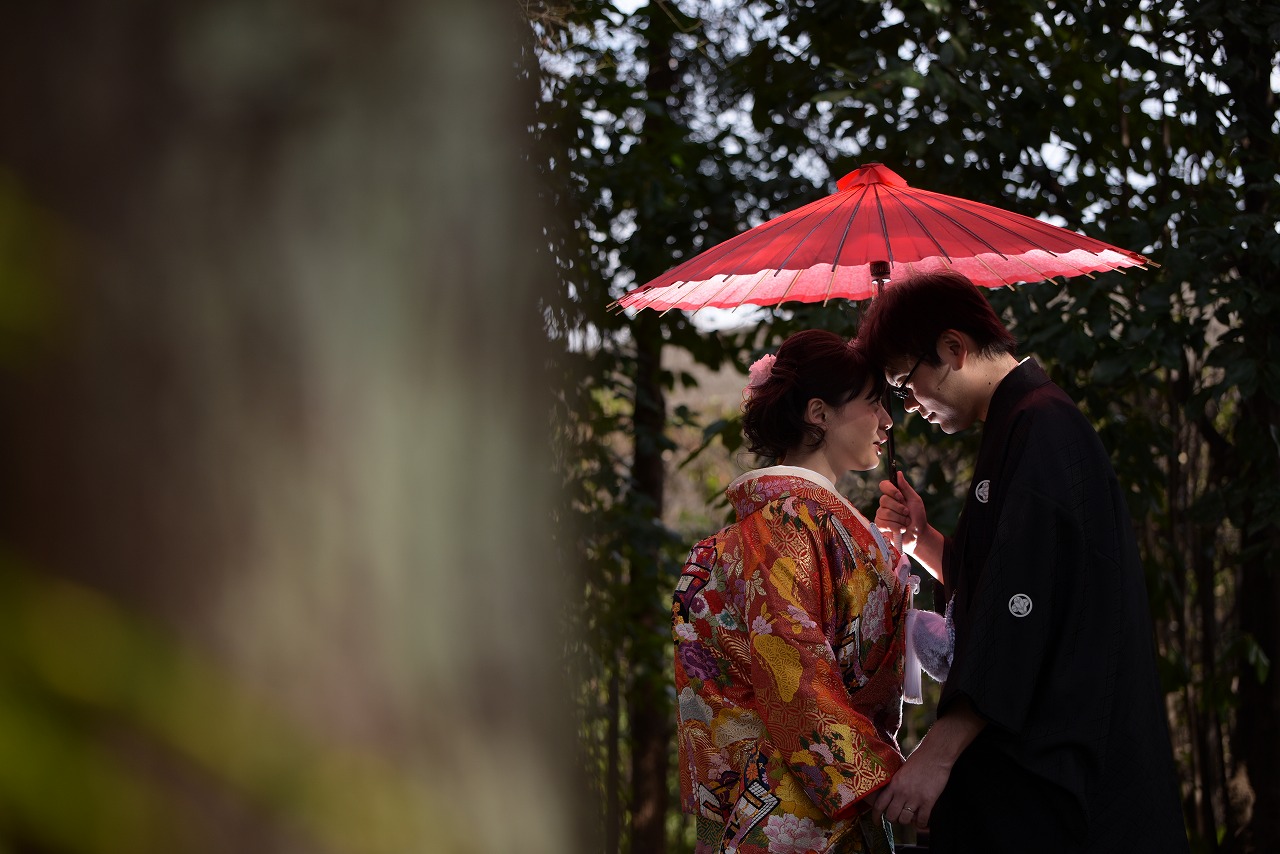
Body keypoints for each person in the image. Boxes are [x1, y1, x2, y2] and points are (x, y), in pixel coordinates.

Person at [858, 272, 1188, 852]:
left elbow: (1022, 607)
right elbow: (1003, 578)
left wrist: (940, 751)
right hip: (1045, 748)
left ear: (954, 348)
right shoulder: (1022, 422)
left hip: (1059, 757)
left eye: (905, 385)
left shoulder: (1041, 425)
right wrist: (922, 539)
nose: (908, 407)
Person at [672, 330, 911, 854]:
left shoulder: (805, 521)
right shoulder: (789, 523)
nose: (887, 420)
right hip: (796, 806)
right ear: (819, 413)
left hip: (822, 794)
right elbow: (794, 671)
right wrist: (880, 780)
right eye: (874, 402)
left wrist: (893, 549)